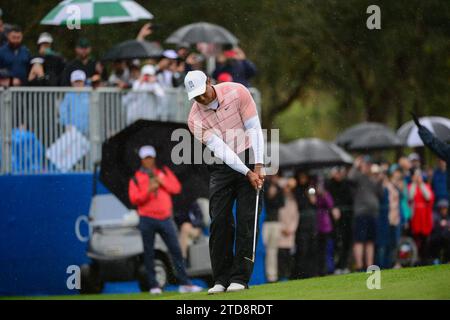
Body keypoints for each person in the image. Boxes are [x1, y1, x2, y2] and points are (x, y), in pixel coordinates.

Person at [184, 70, 264, 294]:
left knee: (248, 218)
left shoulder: (237, 92)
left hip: (250, 153)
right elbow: (222, 150)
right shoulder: (194, 119)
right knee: (219, 220)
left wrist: (258, 165)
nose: (200, 99)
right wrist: (247, 172)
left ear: (210, 82)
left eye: (202, 92)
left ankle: (240, 277)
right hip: (222, 164)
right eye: (195, 96)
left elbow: (254, 129)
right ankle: (220, 279)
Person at [128, 145, 202, 294]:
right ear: (142, 160)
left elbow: (176, 188)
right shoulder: (136, 178)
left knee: (175, 250)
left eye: (150, 157)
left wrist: (161, 182)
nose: (148, 161)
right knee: (149, 253)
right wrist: (148, 190)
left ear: (154, 158)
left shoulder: (163, 172)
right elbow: (134, 199)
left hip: (165, 218)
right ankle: (154, 286)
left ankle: (184, 283)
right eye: (145, 158)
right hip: (146, 219)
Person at [348, 156, 383, 271]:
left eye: (369, 165)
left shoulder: (373, 179)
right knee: (359, 240)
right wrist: (356, 165)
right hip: (361, 213)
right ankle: (359, 266)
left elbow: (381, 195)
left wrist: (380, 179)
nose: (368, 167)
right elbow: (350, 178)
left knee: (370, 241)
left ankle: (370, 266)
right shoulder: (358, 176)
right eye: (366, 164)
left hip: (373, 214)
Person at [326, 167, 353, 274]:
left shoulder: (346, 184)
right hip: (333, 221)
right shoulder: (329, 184)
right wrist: (334, 208)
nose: (339, 174)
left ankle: (343, 265)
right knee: (336, 244)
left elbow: (349, 198)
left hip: (346, 219)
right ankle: (335, 267)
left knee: (346, 242)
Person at [292, 172, 318, 279]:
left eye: (305, 177)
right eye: (301, 177)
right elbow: (298, 205)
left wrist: (311, 196)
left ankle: (311, 272)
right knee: (302, 249)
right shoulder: (296, 190)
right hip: (301, 224)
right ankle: (301, 273)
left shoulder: (310, 189)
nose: (303, 179)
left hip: (311, 223)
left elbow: (314, 203)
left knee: (312, 248)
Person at [408, 168, 435, 265]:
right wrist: (415, 184)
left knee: (425, 239)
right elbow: (410, 197)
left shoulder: (426, 186)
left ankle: (424, 259)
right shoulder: (411, 186)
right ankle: (416, 259)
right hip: (415, 217)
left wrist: (421, 184)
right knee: (416, 240)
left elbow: (428, 197)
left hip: (424, 217)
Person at [262, 174, 285, 282]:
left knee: (273, 250)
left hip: (275, 222)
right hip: (264, 222)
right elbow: (264, 202)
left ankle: (272, 276)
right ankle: (261, 275)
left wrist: (275, 193)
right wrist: (269, 194)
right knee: (262, 250)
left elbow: (281, 204)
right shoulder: (263, 186)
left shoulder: (279, 188)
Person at [277, 177, 299, 280]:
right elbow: (276, 216)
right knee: (280, 257)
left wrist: (291, 229)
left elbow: (295, 217)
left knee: (289, 257)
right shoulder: (278, 201)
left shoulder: (293, 201)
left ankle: (288, 275)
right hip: (280, 233)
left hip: (290, 234)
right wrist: (282, 228)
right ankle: (281, 277)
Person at [59, 70, 90, 135]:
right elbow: (63, 111)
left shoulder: (89, 94)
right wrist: (67, 124)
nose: (78, 84)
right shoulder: (68, 95)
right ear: (72, 82)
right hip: (73, 131)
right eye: (76, 82)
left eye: (80, 81)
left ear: (84, 82)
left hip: (89, 130)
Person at [315, 181, 335, 276]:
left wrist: (324, 195)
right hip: (317, 226)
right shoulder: (315, 196)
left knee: (327, 249)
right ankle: (320, 270)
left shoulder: (326, 195)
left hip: (325, 226)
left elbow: (330, 204)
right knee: (319, 250)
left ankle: (327, 269)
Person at [430, 199, 450, 264]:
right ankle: (437, 259)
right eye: (442, 208)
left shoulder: (448, 217)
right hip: (437, 239)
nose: (444, 210)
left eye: (445, 208)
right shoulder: (435, 217)